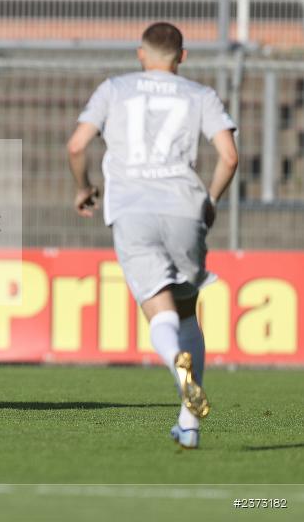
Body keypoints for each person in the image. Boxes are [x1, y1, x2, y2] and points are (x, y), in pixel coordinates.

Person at [66, 22, 238, 448]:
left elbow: (75, 145)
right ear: (182, 57)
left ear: (140, 54)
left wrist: (83, 188)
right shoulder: (201, 94)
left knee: (156, 310)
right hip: (185, 206)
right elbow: (229, 157)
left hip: (133, 209)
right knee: (185, 312)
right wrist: (211, 199)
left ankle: (181, 379)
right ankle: (189, 425)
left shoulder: (115, 89)